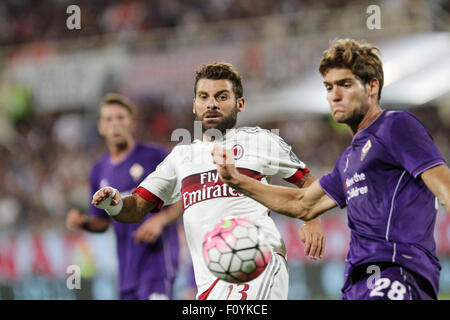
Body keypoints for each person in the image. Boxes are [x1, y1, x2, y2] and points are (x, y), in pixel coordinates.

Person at [211, 39, 450, 300]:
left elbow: (445, 188)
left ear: (372, 87)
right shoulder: (348, 159)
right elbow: (303, 204)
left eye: (345, 85)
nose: (334, 95)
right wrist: (236, 180)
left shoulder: (396, 126)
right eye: (329, 87)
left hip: (396, 274)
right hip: (358, 284)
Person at [91, 62, 326, 300]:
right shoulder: (181, 158)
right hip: (210, 284)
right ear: (195, 105)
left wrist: (312, 218)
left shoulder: (261, 141)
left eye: (222, 96)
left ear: (240, 104)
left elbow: (308, 181)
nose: (212, 103)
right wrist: (114, 204)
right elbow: (137, 207)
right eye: (204, 97)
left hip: (259, 263)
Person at [66, 93, 182, 300]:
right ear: (101, 127)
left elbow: (185, 195)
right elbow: (102, 223)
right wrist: (83, 222)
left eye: (121, 118)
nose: (115, 124)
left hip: (157, 260)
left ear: (132, 123)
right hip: (127, 268)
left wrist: (160, 220)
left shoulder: (154, 156)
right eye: (109, 119)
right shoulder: (98, 170)